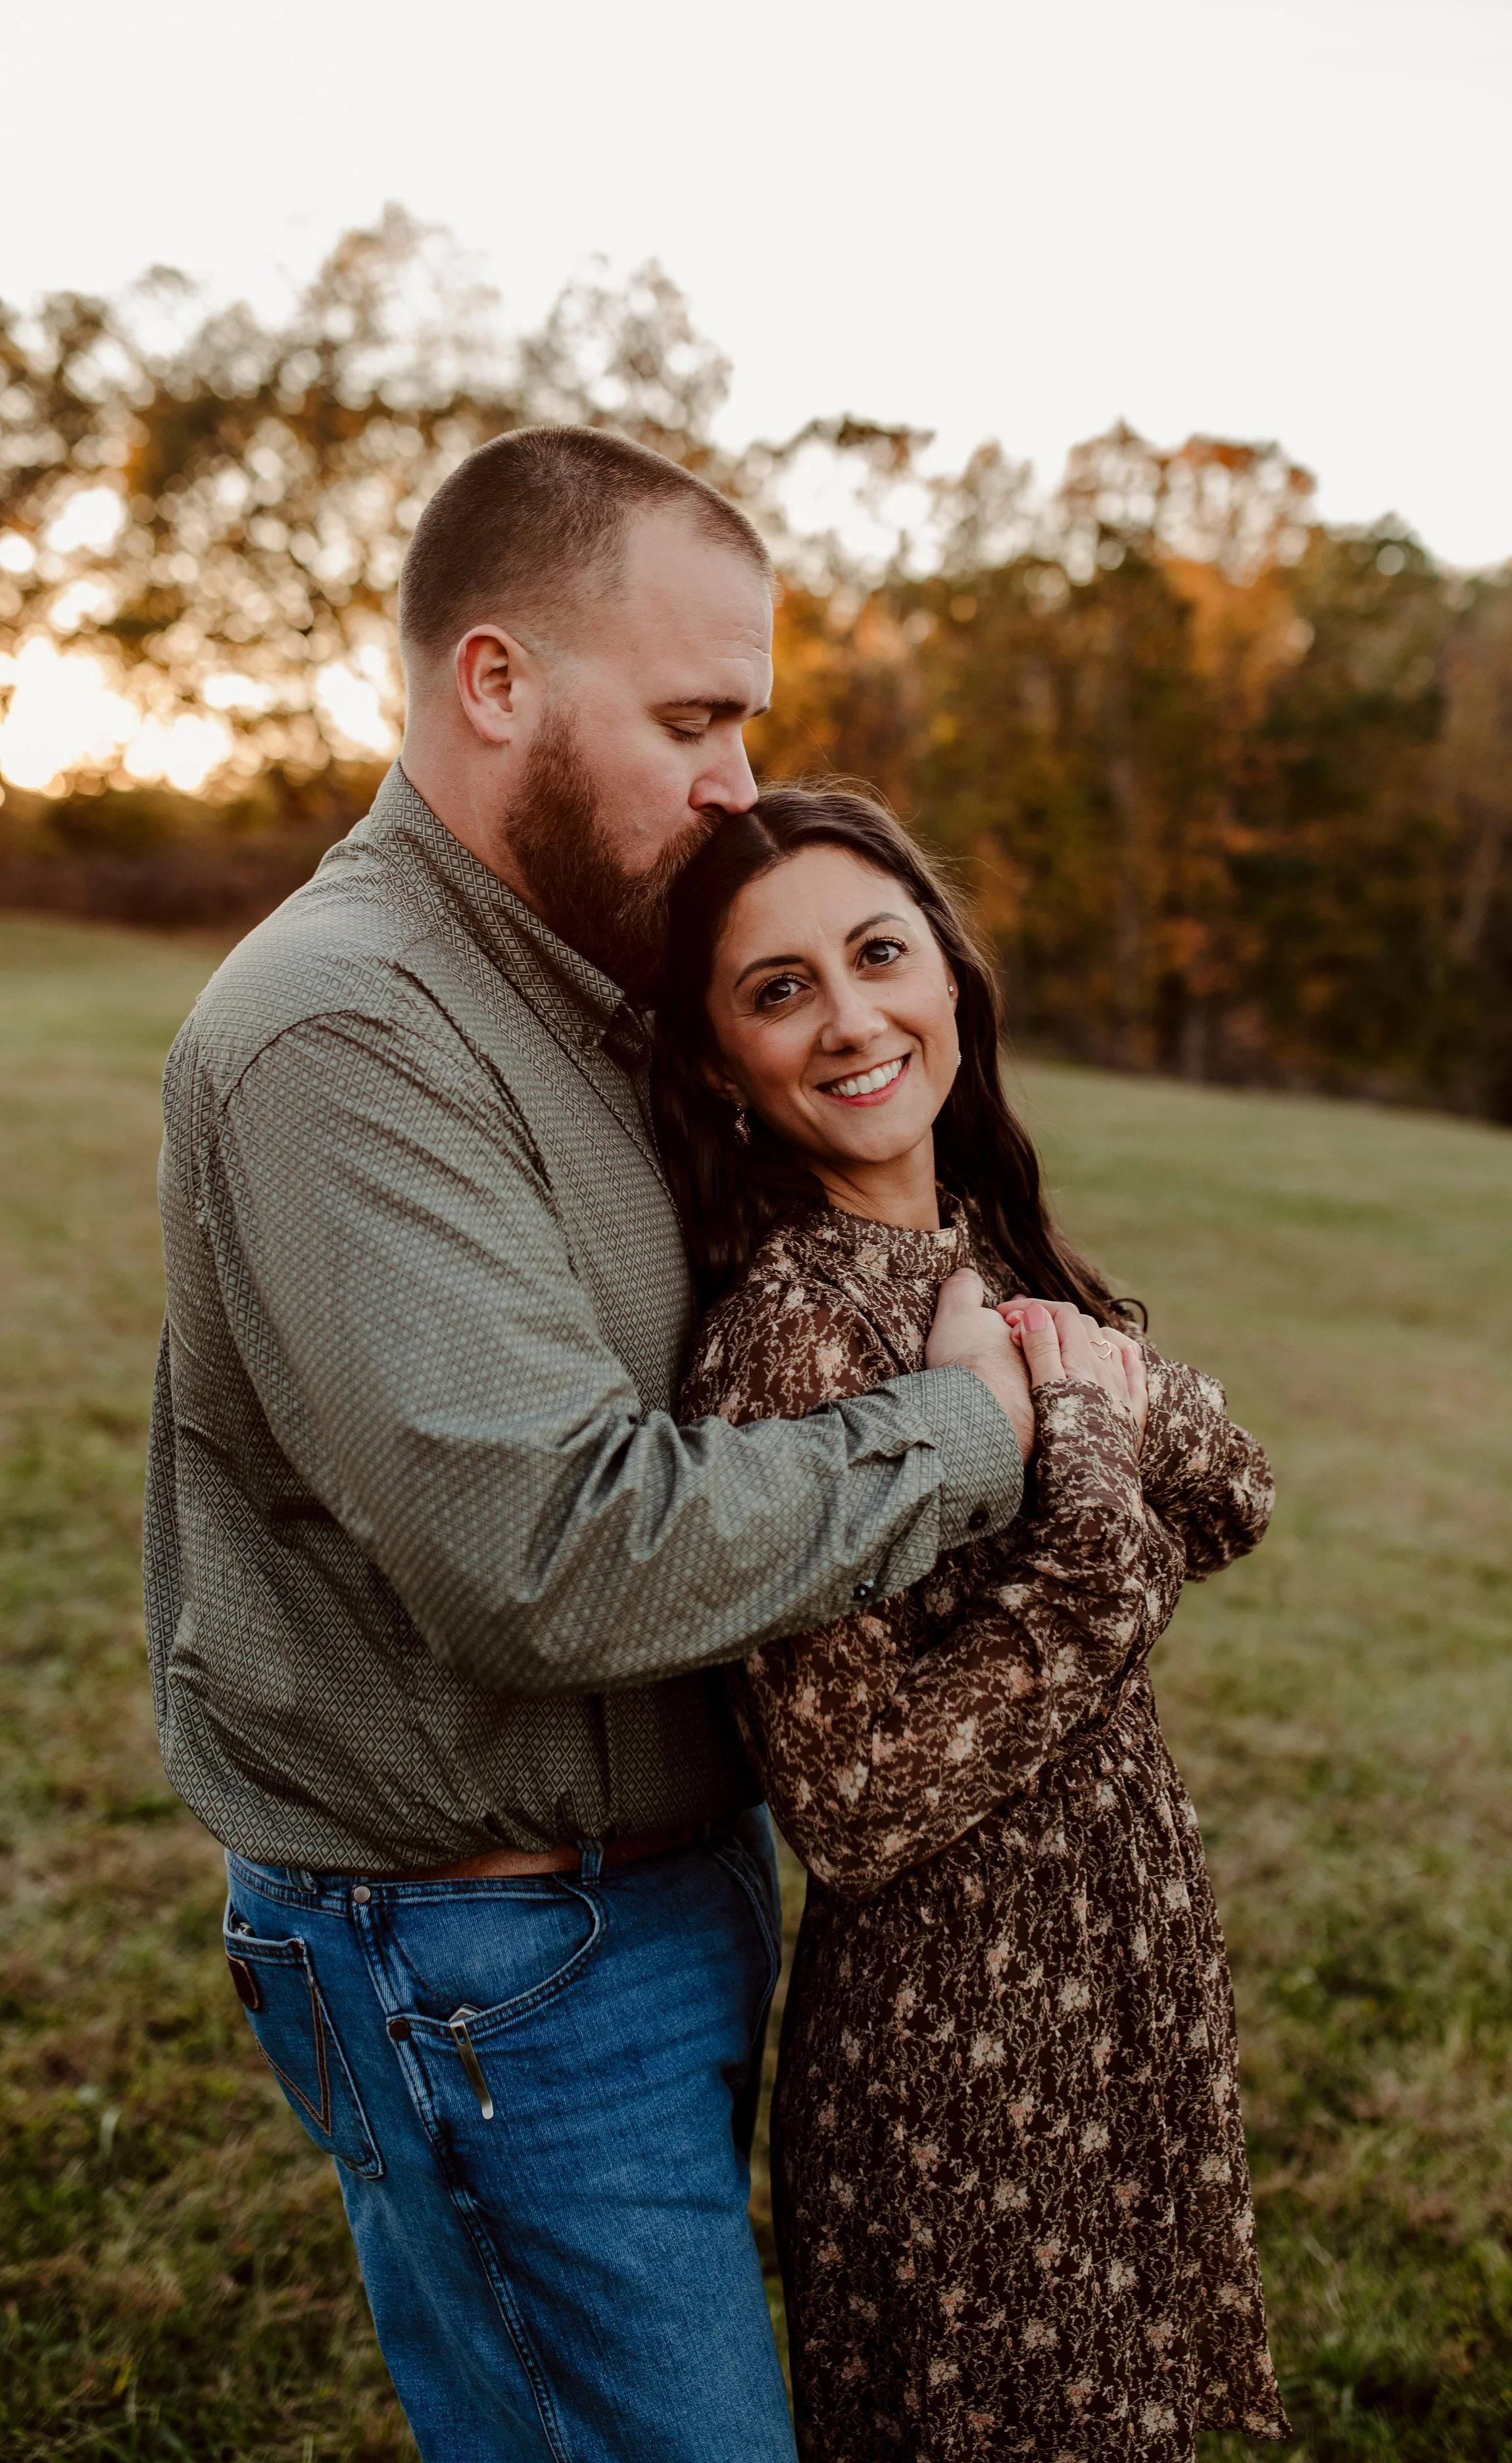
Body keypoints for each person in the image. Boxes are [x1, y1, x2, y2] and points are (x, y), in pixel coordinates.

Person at [142, 429, 1044, 2463]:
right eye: (693, 719)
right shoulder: (343, 1030)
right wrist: (969, 1429)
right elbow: (552, 1548)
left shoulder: (585, 985)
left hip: (664, 1888)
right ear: (494, 683)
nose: (735, 781)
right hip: (486, 1952)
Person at [656, 782, 1291, 2460]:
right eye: (778, 988)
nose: (851, 1019)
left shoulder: (987, 1250)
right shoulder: (787, 1346)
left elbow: (1233, 1493)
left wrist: (1074, 1401)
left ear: (948, 980)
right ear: (720, 1059)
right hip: (961, 2061)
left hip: (1108, 1987)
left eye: (879, 955)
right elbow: (853, 1802)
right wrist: (1079, 1454)